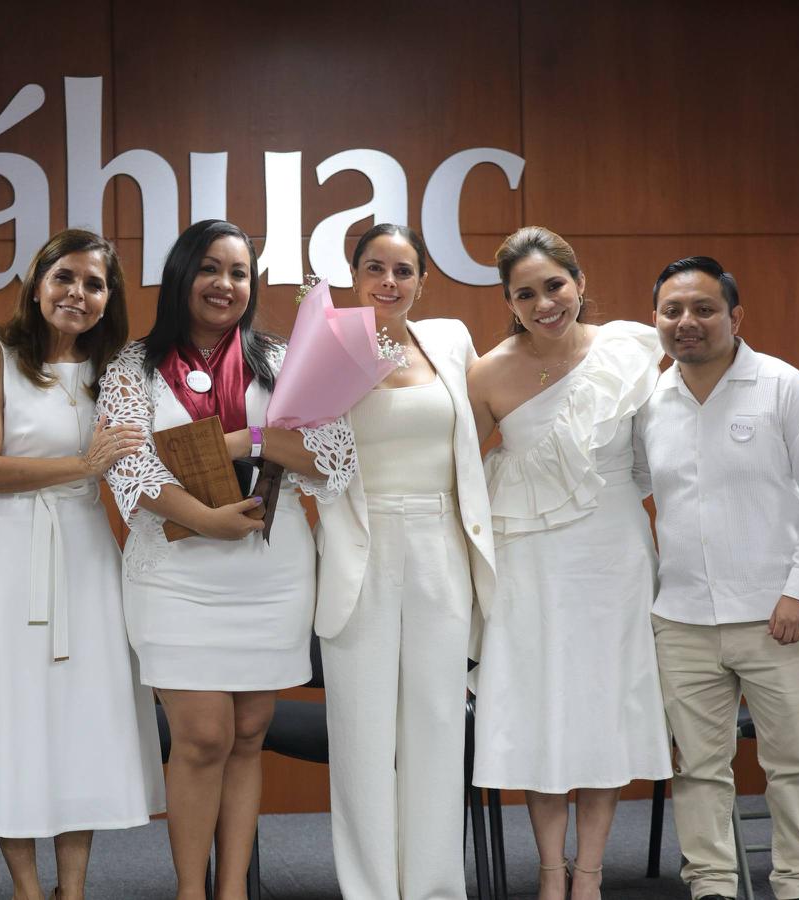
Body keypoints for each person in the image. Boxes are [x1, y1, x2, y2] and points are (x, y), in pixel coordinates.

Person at [96, 219, 345, 900]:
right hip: (176, 571)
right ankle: (190, 890)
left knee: (248, 732)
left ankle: (232, 888)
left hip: (271, 569)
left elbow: (330, 455)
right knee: (203, 736)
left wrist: (249, 437)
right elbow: (128, 464)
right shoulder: (133, 366)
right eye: (209, 268)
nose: (224, 284)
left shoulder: (281, 358)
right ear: (182, 275)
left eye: (238, 272)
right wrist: (205, 519)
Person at [0, 229, 165, 900]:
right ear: (37, 285)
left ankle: (73, 889)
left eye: (94, 284)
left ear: (109, 299)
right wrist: (83, 464)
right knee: (15, 717)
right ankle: (28, 889)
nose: (77, 294)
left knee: (76, 719)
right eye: (65, 278)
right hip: (5, 557)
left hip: (87, 553)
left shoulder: (117, 372)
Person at [468, 226, 672, 900]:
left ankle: (590, 874)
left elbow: (653, 460)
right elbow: (457, 473)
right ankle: (550, 874)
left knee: (601, 708)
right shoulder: (487, 372)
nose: (544, 303)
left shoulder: (629, 348)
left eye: (554, 285)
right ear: (509, 302)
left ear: (579, 283)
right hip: (529, 562)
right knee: (542, 710)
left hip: (614, 555)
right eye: (525, 294)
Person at [311, 223, 495, 899]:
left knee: (437, 725)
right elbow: (302, 451)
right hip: (362, 543)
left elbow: (481, 424)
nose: (389, 282)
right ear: (353, 274)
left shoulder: (448, 339)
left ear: (422, 280)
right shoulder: (324, 345)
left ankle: (435, 888)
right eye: (375, 268)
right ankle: (369, 890)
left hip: (441, 542)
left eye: (404, 270)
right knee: (361, 734)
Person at [634, 257, 799, 900]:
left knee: (794, 765)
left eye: (704, 309)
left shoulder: (782, 386)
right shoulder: (650, 401)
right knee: (699, 769)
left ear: (735, 317)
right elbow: (627, 488)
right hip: (681, 618)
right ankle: (711, 883)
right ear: (657, 319)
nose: (687, 322)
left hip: (776, 616)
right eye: (672, 310)